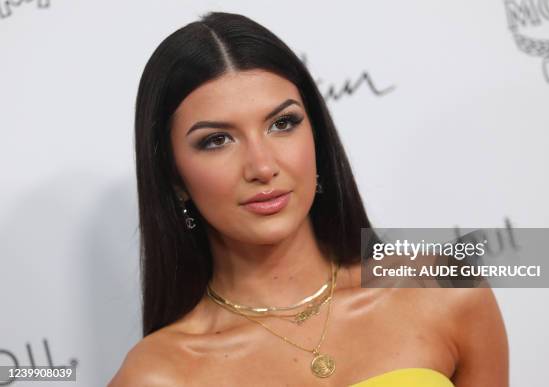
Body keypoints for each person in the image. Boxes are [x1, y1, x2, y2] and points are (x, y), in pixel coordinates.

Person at [109, 11, 508, 387]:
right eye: (217, 140)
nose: (262, 166)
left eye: (282, 124)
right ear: (175, 178)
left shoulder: (448, 290)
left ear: (315, 135)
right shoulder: (159, 375)